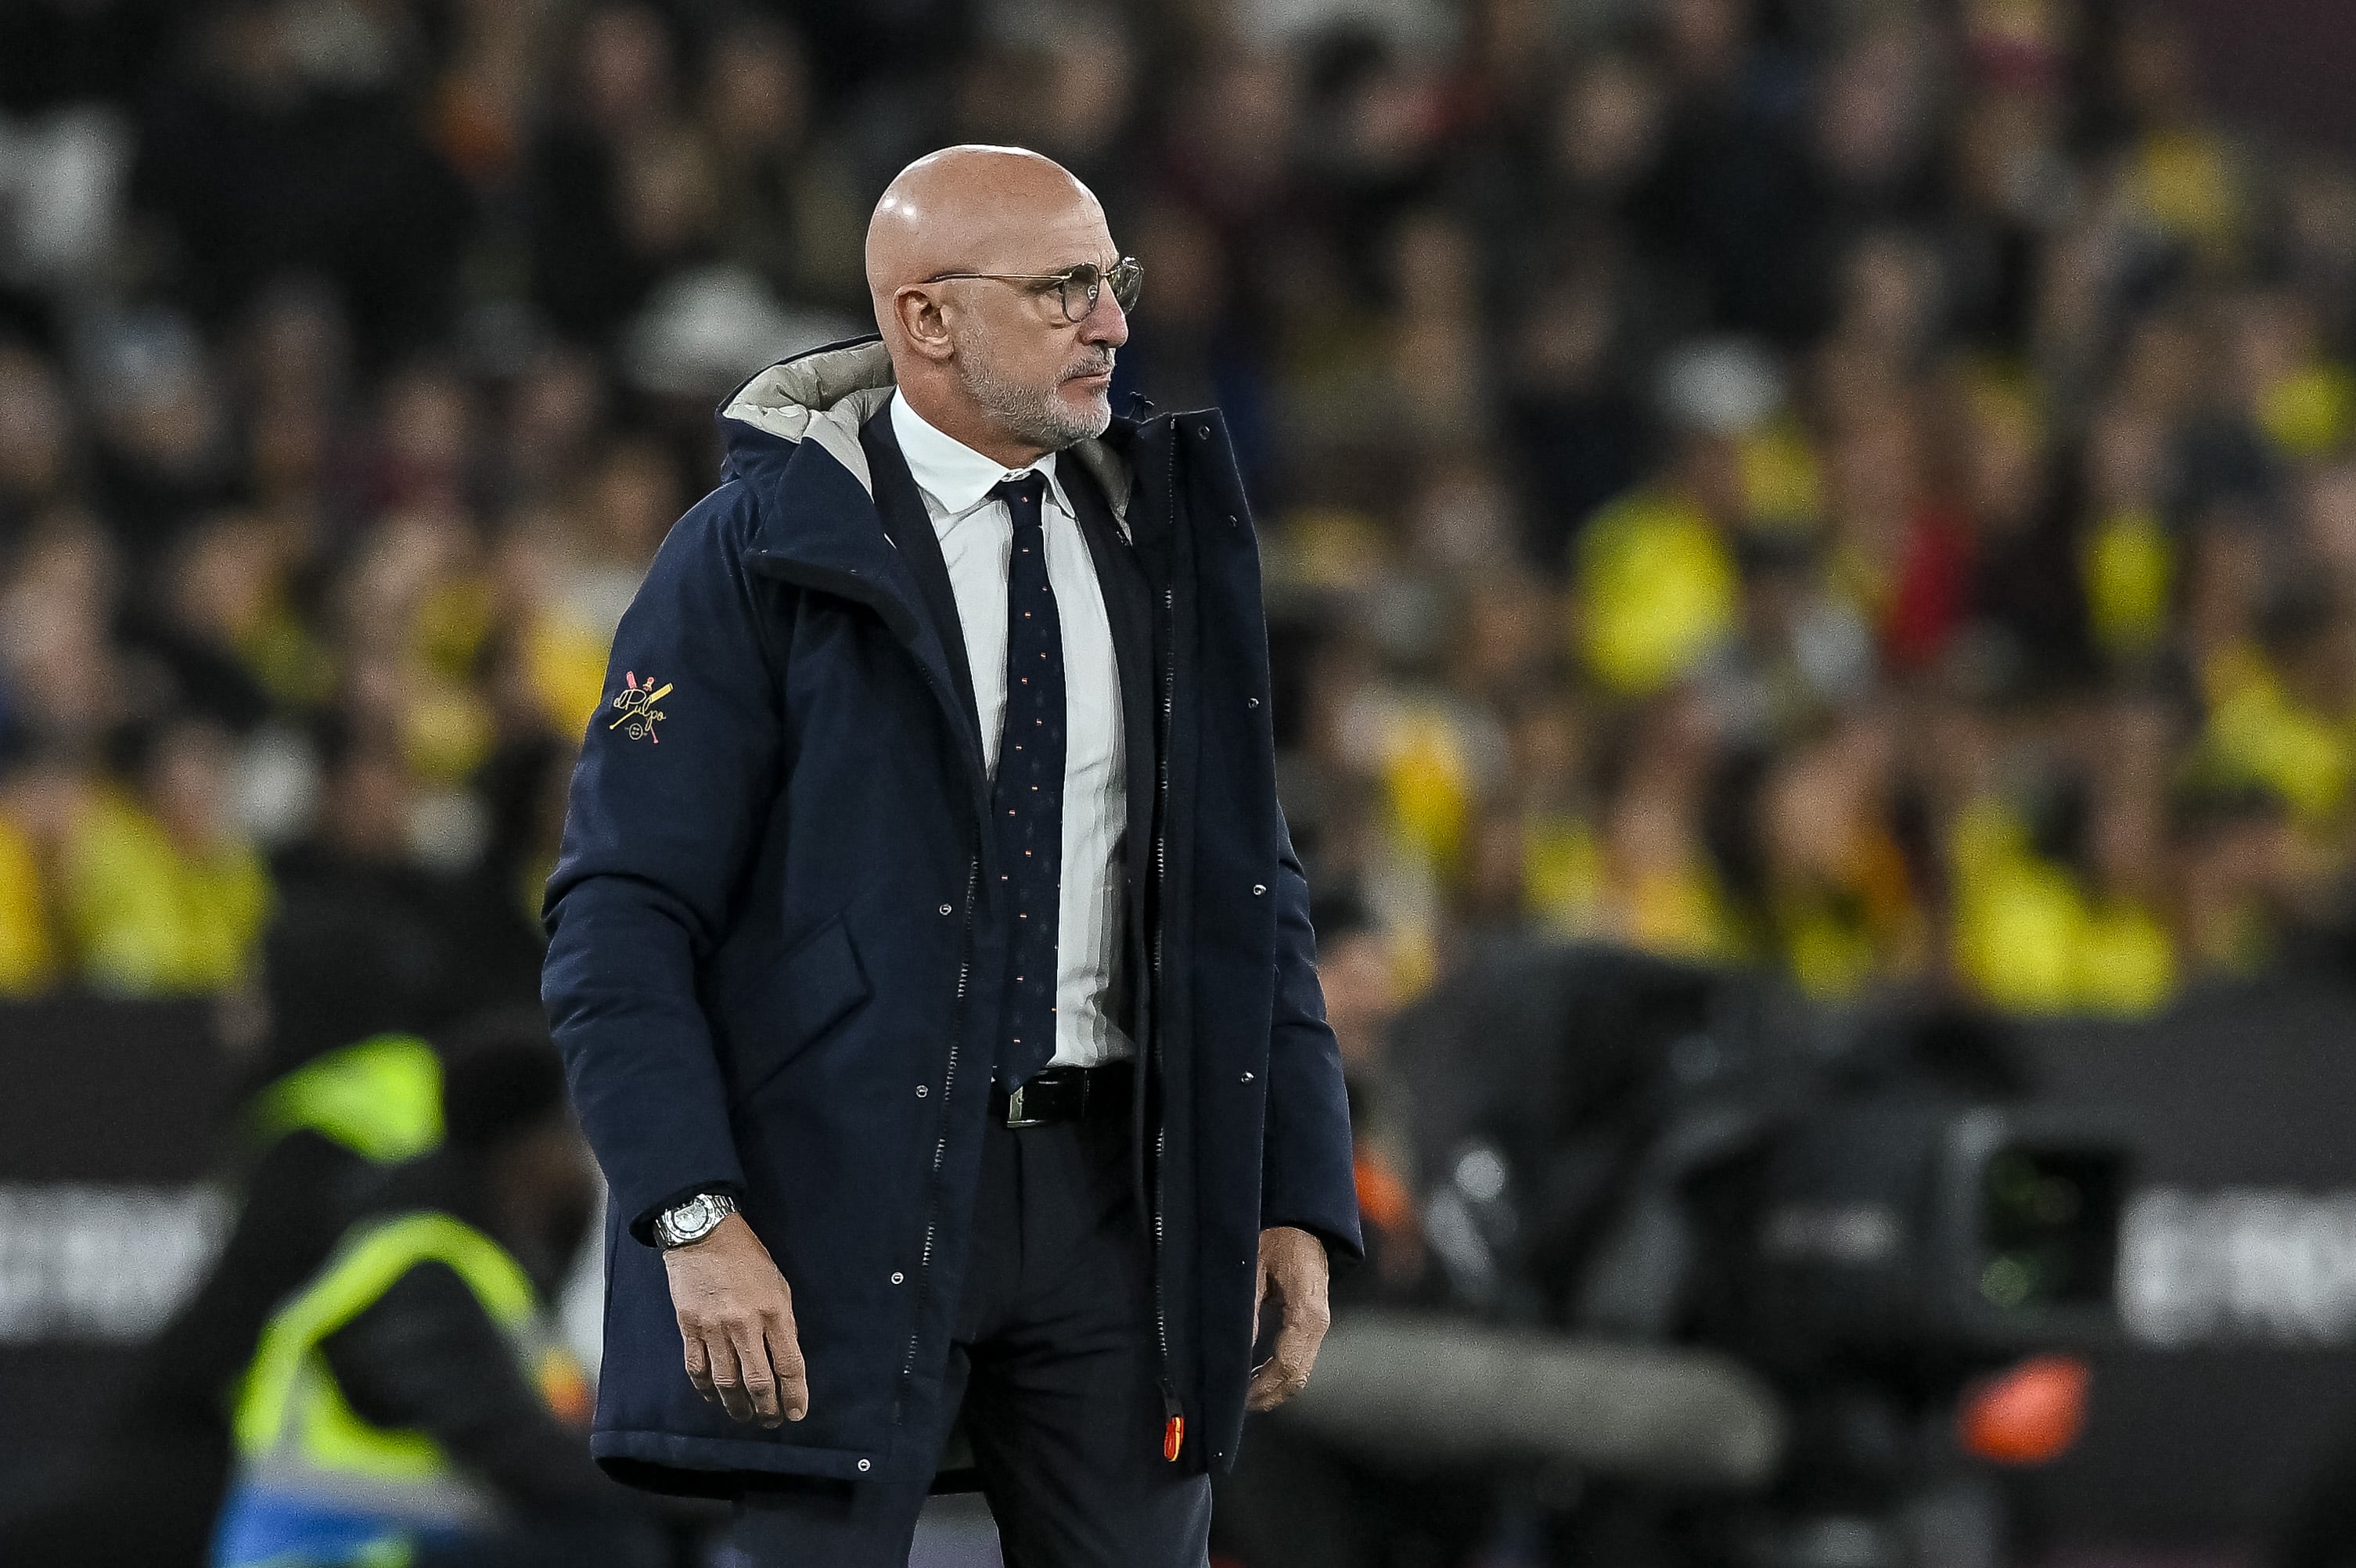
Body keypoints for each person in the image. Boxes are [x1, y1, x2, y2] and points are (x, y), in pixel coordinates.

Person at [541, 143, 1361, 1566]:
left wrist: (1293, 1183)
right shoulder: (748, 554)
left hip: (1120, 1203)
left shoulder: (1154, 542)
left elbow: (1249, 889)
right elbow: (619, 913)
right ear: (925, 319)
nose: (1111, 321)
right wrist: (689, 1211)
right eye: (1062, 290)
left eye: (1113, 282)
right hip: (835, 1196)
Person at [210, 1022, 664, 1568]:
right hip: (324, 1550)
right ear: (528, 1149)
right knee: (606, 1546)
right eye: (575, 1137)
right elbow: (514, 1447)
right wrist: (685, 1485)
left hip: (384, 1542)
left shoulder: (481, 1257)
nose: (588, 1166)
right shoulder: (418, 1272)